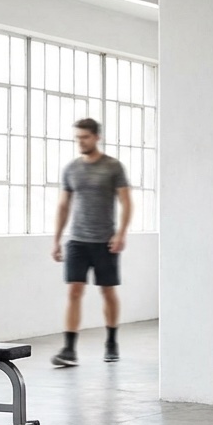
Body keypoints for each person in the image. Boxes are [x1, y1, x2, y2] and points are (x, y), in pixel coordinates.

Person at [51, 118, 132, 366]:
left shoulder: (113, 167)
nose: (80, 142)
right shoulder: (72, 169)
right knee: (74, 291)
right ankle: (69, 349)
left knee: (107, 291)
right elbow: (64, 205)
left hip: (104, 241)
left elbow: (126, 202)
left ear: (97, 137)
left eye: (84, 137)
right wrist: (57, 240)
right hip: (77, 240)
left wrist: (120, 234)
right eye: (77, 137)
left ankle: (111, 342)